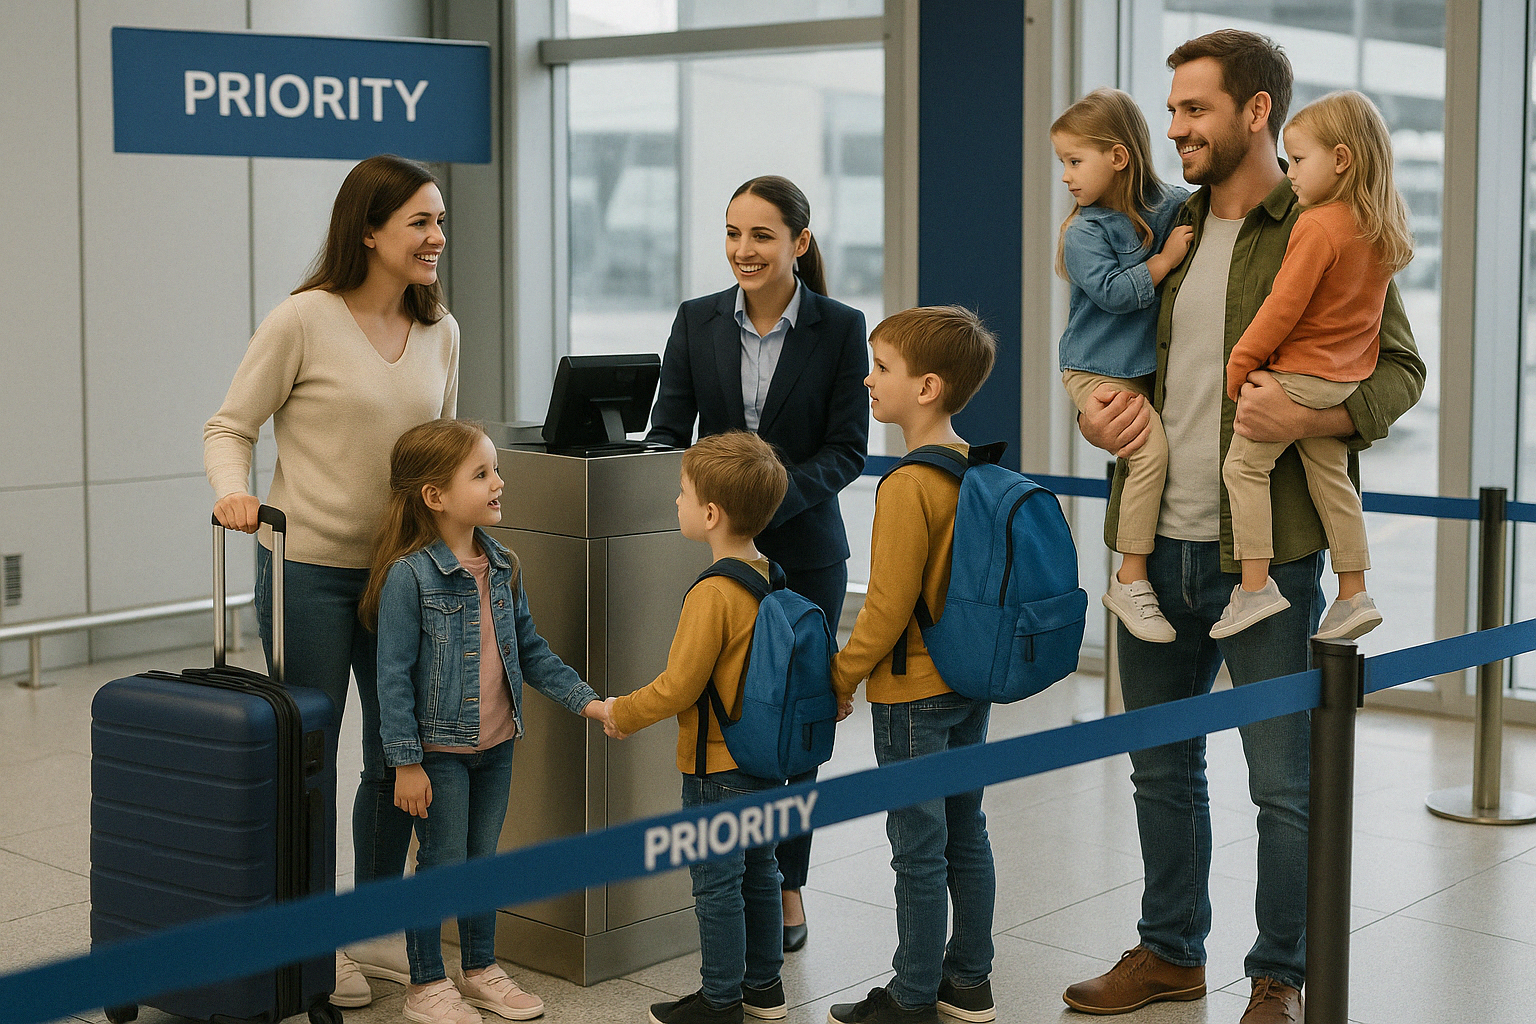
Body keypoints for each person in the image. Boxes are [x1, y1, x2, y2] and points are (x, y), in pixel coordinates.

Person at [1061, 31, 1424, 1024]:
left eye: (1193, 109)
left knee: (1283, 785)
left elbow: (1399, 372)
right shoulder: (1156, 226)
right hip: (1149, 551)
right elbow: (1104, 351)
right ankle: (1172, 953)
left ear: (1256, 113)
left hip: (1264, 557)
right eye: (1171, 109)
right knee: (1158, 771)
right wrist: (1093, 412)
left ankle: (1278, 974)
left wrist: (1312, 416)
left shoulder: (1322, 218)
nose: (1171, 126)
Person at [203, 154, 460, 1006]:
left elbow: (439, 455)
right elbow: (229, 426)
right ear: (370, 230)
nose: (436, 237)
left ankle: (368, 921)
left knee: (398, 757)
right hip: (306, 569)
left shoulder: (440, 331)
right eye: (420, 222)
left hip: (402, 578)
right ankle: (312, 935)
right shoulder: (302, 320)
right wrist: (234, 494)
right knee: (308, 756)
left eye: (439, 220)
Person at [647, 175, 869, 952]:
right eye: (734, 233)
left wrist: (765, 502)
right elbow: (669, 427)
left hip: (804, 553)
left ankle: (787, 886)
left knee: (793, 726)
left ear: (799, 244)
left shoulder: (841, 327)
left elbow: (848, 450)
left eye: (763, 235)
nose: (744, 250)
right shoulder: (697, 319)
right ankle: (730, 880)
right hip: (720, 562)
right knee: (724, 725)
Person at [363, 419, 611, 1024]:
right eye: (482, 474)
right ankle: (425, 984)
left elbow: (529, 651)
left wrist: (587, 701)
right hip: (439, 753)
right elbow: (390, 678)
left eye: (496, 469)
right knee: (441, 863)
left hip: (496, 746)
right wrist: (406, 763)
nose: (500, 482)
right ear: (434, 496)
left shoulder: (503, 565)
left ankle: (478, 969)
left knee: (483, 858)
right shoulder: (409, 576)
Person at [827, 306, 999, 1024]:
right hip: (968, 679)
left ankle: (912, 995)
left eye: (883, 368)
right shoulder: (976, 469)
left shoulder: (905, 486)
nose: (869, 379)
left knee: (917, 847)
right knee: (967, 830)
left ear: (927, 387)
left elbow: (887, 609)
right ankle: (970, 981)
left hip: (912, 693)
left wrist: (839, 676)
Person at [604, 431, 794, 1024]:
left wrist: (623, 712)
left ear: (710, 514)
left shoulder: (712, 593)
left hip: (717, 763)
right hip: (766, 755)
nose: (676, 502)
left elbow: (679, 685)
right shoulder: (772, 574)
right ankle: (764, 988)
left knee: (716, 883)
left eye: (682, 493)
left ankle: (720, 1000)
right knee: (762, 869)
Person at [1213, 90, 1413, 642]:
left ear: (1342, 159)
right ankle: (1354, 591)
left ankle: (1254, 587)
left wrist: (1243, 360)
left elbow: (1282, 307)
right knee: (1334, 483)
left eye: (1299, 160)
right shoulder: (1377, 229)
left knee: (1243, 469)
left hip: (1296, 379)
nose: (1289, 171)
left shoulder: (1317, 225)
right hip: (1341, 382)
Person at [1051, 87, 1194, 644]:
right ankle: (1129, 577)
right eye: (1063, 162)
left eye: (1074, 161)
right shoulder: (1084, 231)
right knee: (1149, 451)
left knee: (1157, 450)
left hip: (1139, 366)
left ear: (1118, 156)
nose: (1066, 176)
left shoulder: (1170, 205)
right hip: (1095, 366)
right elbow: (1114, 293)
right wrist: (1164, 260)